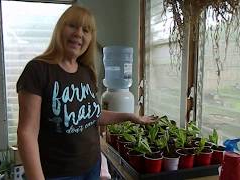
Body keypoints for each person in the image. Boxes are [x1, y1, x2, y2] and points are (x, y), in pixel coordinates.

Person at [16, 5, 155, 180]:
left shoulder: (86, 72)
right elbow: (26, 133)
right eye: (73, 26)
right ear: (60, 29)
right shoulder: (38, 70)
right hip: (58, 173)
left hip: (91, 166)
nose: (79, 33)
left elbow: (92, 116)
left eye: (86, 30)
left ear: (90, 38)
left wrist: (130, 116)